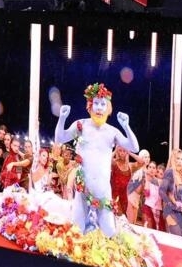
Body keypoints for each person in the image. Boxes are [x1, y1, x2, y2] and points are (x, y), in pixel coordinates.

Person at [54, 83, 139, 237]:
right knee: (76, 231)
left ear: (108, 108)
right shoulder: (81, 125)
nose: (99, 108)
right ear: (90, 105)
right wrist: (62, 118)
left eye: (103, 104)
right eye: (96, 104)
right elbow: (60, 138)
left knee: (109, 233)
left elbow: (134, 147)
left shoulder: (112, 131)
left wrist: (126, 127)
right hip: (82, 190)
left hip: (103, 192)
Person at [160, 149, 182, 236]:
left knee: (178, 240)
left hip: (179, 213)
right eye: (177, 158)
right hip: (171, 211)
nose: (179, 161)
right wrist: (171, 205)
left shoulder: (181, 175)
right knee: (178, 240)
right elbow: (161, 191)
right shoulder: (170, 172)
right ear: (173, 159)